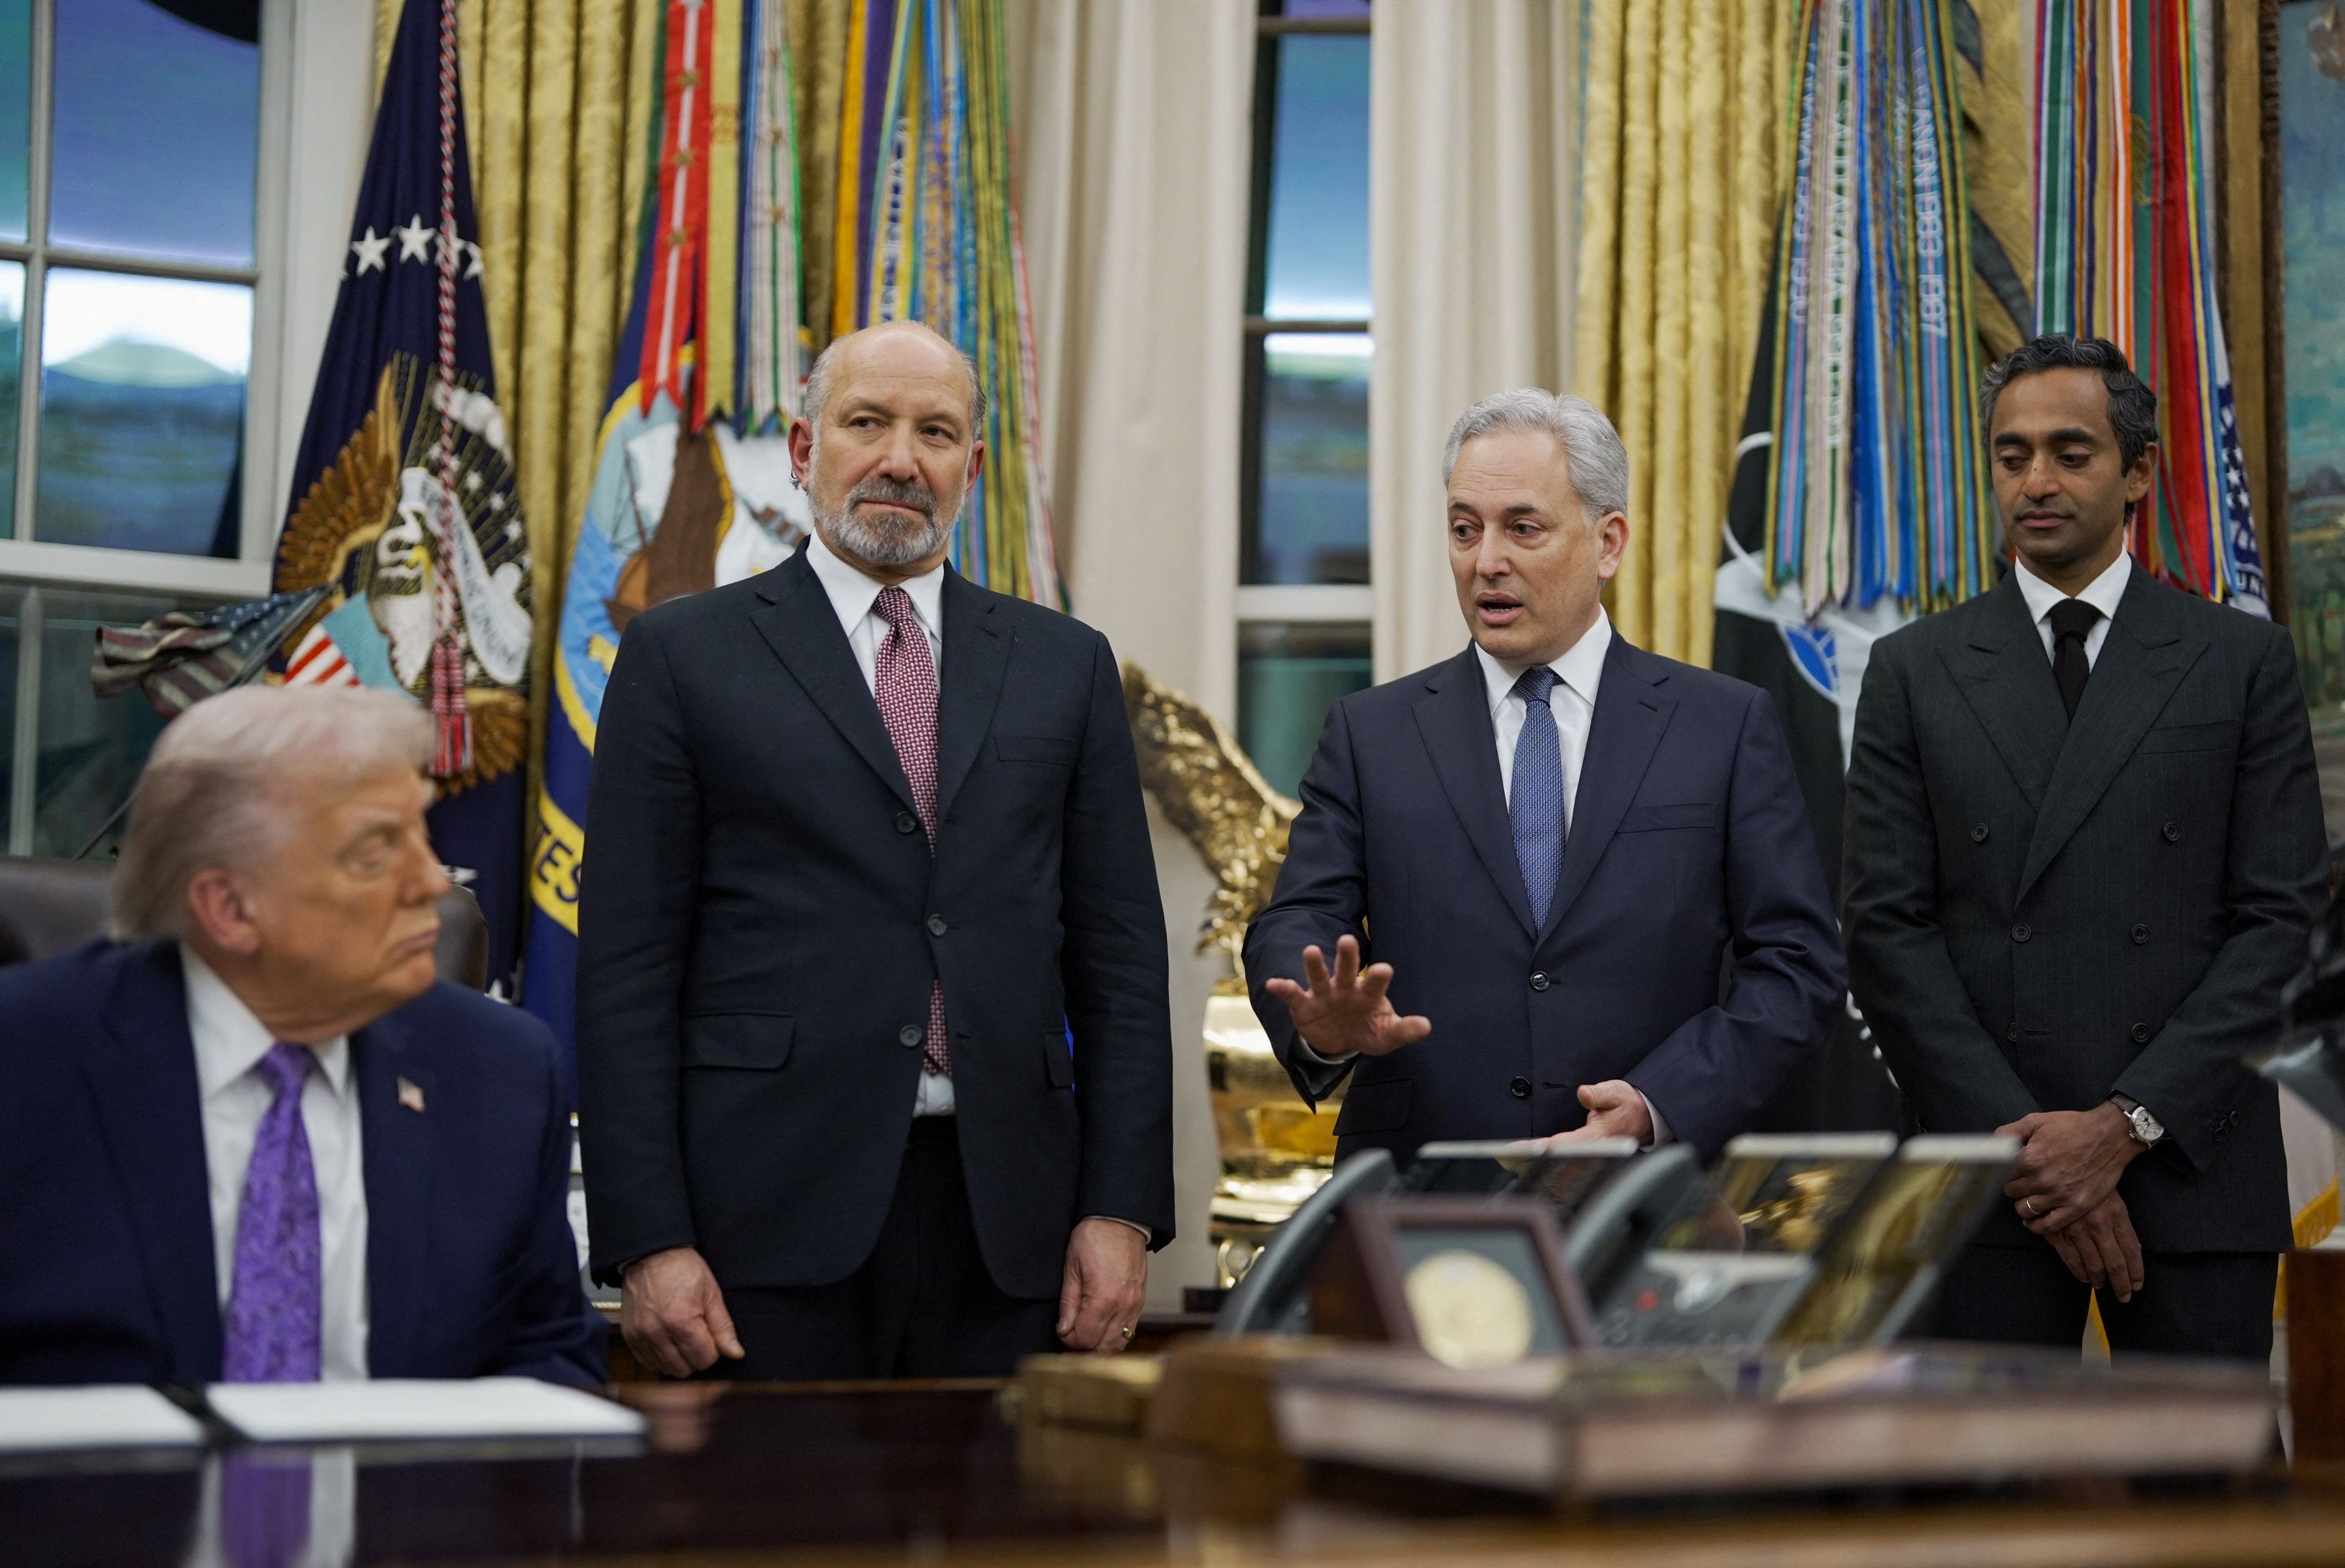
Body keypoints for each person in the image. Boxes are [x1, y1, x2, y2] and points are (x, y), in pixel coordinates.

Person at [578, 320, 1172, 1381]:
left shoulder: (1064, 666)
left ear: (971, 469)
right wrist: (647, 1235)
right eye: (867, 423)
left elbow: (1120, 965)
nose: (902, 458)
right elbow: (626, 966)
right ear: (804, 452)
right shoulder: (681, 656)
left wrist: (1121, 1205)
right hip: (758, 1220)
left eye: (935, 432)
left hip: (1012, 1226)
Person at [1843, 334, 2325, 1360]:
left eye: (2071, 451)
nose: (2037, 480)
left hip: (2190, 1160)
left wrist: (2122, 1125)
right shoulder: (1911, 670)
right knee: (1988, 1508)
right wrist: (2032, 1154)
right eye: (2011, 456)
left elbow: (2279, 923)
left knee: (2200, 1508)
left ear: (2137, 471)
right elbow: (1887, 932)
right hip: (1982, 1178)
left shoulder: (2239, 661)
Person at [1242, 389, 1845, 1161]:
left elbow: (1797, 965)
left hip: (1644, 1199)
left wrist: (1662, 1101)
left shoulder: (1721, 726)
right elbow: (1296, 920)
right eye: (1465, 529)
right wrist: (1319, 1021)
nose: (1485, 560)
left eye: (1522, 528)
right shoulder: (1371, 733)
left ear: (1608, 543)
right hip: (1425, 1192)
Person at [0, 686, 603, 1386]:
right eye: (375, 852)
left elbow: (553, 1357)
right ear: (229, 908)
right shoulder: (27, 1059)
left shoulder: (502, 1072)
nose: (433, 880)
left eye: (423, 833)